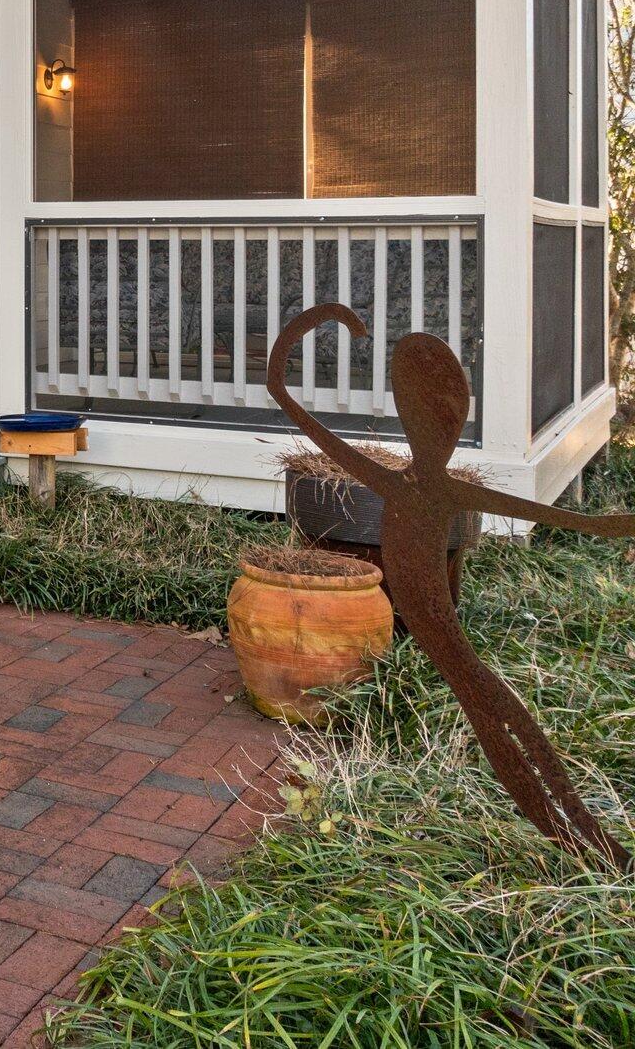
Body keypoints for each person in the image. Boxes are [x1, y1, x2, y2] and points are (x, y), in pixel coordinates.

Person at [266, 303, 632, 870]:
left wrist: (611, 526)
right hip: (434, 624)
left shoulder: (422, 485)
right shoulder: (404, 482)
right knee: (496, 708)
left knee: (495, 710)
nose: (438, 429)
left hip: (436, 620)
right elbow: (287, 399)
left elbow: (559, 517)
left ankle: (578, 832)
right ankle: (576, 832)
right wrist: (319, 324)